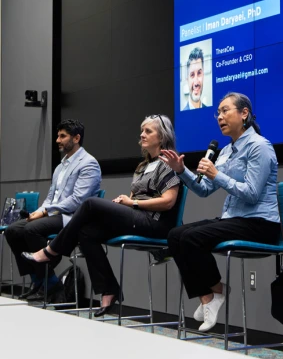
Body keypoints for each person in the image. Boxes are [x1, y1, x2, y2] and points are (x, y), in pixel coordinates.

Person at [22, 115, 181, 317]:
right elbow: (135, 196)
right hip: (136, 217)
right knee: (87, 232)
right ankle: (109, 290)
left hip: (155, 223)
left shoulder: (169, 163)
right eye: (142, 130)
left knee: (90, 203)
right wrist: (125, 203)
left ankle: (51, 251)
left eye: (148, 131)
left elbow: (168, 201)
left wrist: (132, 203)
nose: (142, 134)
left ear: (162, 136)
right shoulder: (143, 166)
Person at [160, 92, 280, 332]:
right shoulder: (225, 152)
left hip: (260, 223)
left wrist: (217, 174)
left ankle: (215, 293)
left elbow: (253, 193)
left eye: (225, 111)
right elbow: (204, 190)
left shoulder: (260, 146)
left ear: (244, 113)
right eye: (218, 113)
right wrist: (182, 170)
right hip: (235, 219)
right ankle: (210, 294)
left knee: (193, 238)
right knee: (175, 235)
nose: (219, 117)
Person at [5, 119, 101, 301]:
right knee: (13, 231)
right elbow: (51, 198)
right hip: (53, 215)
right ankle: (41, 280)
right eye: (58, 135)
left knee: (31, 229)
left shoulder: (89, 163)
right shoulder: (60, 167)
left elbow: (77, 200)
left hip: (72, 218)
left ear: (76, 138)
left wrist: (45, 212)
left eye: (62, 136)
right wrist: (39, 211)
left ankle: (48, 283)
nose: (58, 140)